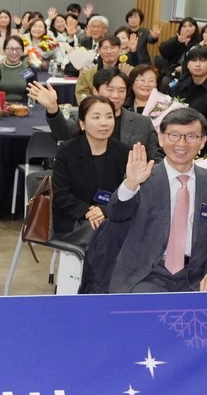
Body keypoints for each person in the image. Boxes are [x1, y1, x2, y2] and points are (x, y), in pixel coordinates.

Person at [105, 108, 207, 293]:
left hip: (197, 274)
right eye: (174, 135)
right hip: (148, 273)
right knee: (150, 308)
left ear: (203, 141)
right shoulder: (144, 177)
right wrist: (130, 184)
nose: (181, 143)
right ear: (161, 138)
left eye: (191, 136)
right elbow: (116, 215)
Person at [32, 69, 162, 160]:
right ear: (95, 91)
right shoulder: (85, 116)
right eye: (110, 89)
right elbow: (63, 133)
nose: (116, 96)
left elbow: (156, 158)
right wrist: (53, 109)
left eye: (121, 90)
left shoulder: (143, 123)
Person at [50, 95, 129, 244]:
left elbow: (126, 192)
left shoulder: (123, 152)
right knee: (103, 232)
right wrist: (90, 212)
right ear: (82, 123)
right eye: (96, 117)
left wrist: (104, 210)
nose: (104, 123)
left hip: (111, 215)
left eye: (109, 117)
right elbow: (61, 195)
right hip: (75, 218)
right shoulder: (67, 151)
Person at [169, 47, 207, 133]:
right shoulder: (180, 86)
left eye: (203, 60)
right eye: (193, 60)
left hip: (200, 134)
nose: (197, 64)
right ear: (188, 65)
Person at [76, 37, 130, 102]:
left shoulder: (129, 70)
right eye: (105, 48)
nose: (109, 51)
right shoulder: (87, 73)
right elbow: (82, 95)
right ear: (99, 50)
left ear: (120, 49)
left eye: (113, 48)